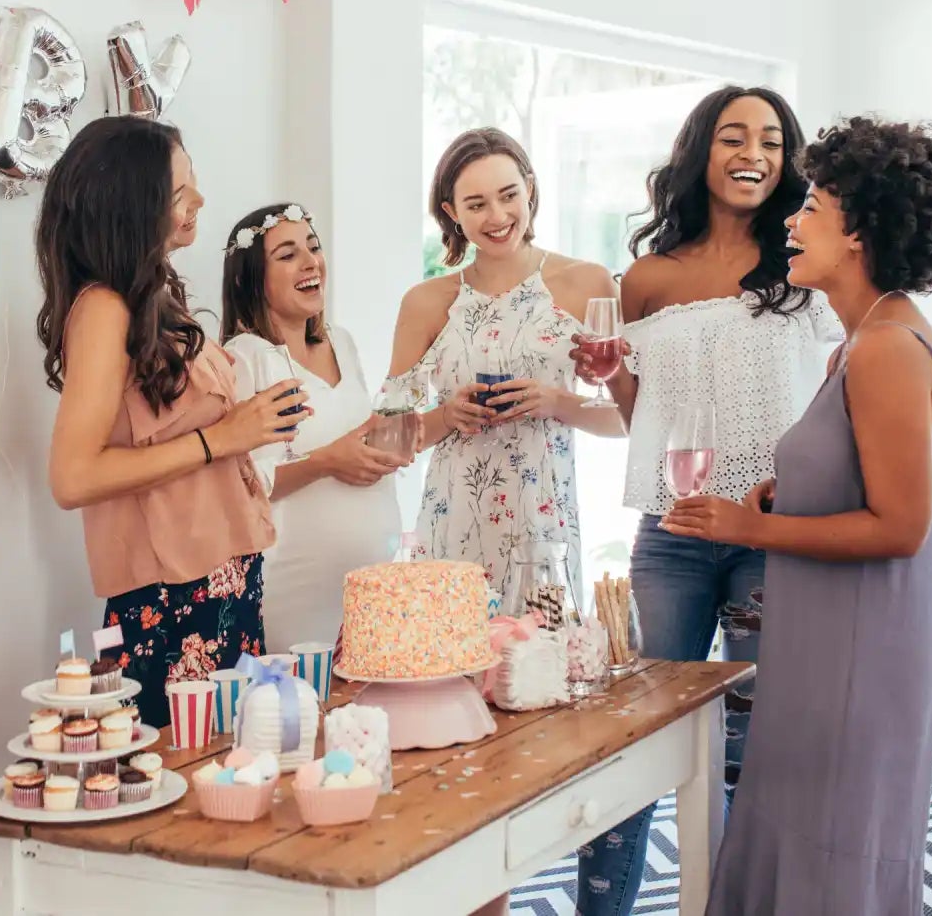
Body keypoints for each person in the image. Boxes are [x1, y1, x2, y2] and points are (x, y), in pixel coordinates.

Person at [663, 116, 932, 914]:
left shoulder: (887, 349)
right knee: (802, 827)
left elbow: (901, 525)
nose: (793, 224)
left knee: (835, 840)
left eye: (812, 209)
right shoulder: (857, 342)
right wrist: (785, 490)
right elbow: (854, 473)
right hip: (826, 641)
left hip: (859, 656)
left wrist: (752, 527)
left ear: (863, 231)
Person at [569, 85, 842, 916]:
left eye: (769, 138)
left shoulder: (808, 266)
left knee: (751, 751)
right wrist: (612, 371)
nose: (751, 151)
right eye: (732, 136)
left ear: (787, 159)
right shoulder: (648, 277)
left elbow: (839, 395)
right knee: (638, 737)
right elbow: (639, 415)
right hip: (674, 532)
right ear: (703, 152)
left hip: (772, 532)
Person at [36, 116, 302, 728]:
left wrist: (249, 423)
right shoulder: (103, 309)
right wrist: (222, 438)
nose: (201, 201)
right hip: (173, 597)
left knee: (235, 776)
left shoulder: (153, 296)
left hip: (224, 579)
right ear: (135, 205)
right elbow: (72, 478)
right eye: (181, 193)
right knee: (188, 788)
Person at [390, 127, 626, 616]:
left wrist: (557, 402)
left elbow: (629, 418)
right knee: (451, 682)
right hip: (450, 530)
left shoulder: (587, 282)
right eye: (476, 204)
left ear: (531, 189)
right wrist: (447, 416)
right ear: (451, 212)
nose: (497, 217)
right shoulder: (427, 301)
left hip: (545, 535)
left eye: (508, 195)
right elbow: (386, 439)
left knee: (540, 678)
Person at [219, 203, 408, 653]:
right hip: (294, 587)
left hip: (371, 587)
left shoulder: (341, 342)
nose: (310, 262)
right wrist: (326, 462)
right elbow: (240, 486)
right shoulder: (244, 357)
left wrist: (411, 429)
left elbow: (355, 432)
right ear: (251, 278)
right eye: (286, 255)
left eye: (313, 247)